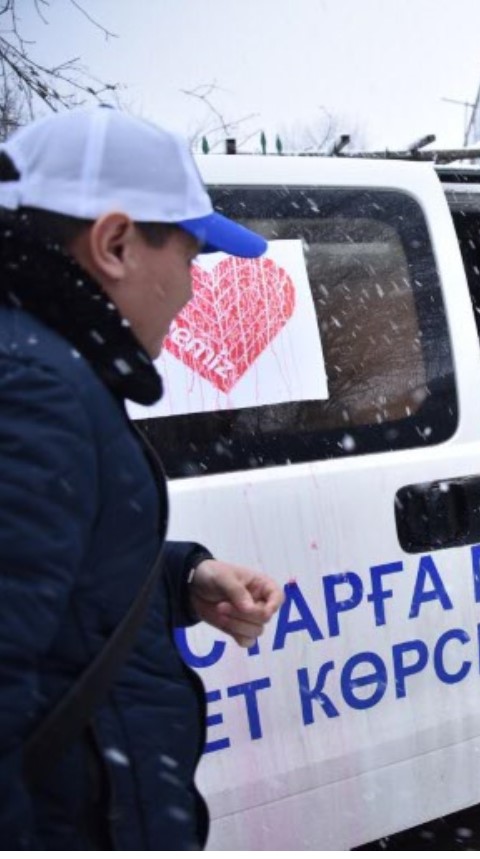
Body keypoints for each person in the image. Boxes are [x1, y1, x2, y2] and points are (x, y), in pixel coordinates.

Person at [0, 107, 284, 849]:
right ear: (115, 243)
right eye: (189, 258)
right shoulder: (30, 389)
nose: (191, 291)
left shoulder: (42, 361)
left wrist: (177, 578)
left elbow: (50, 585)